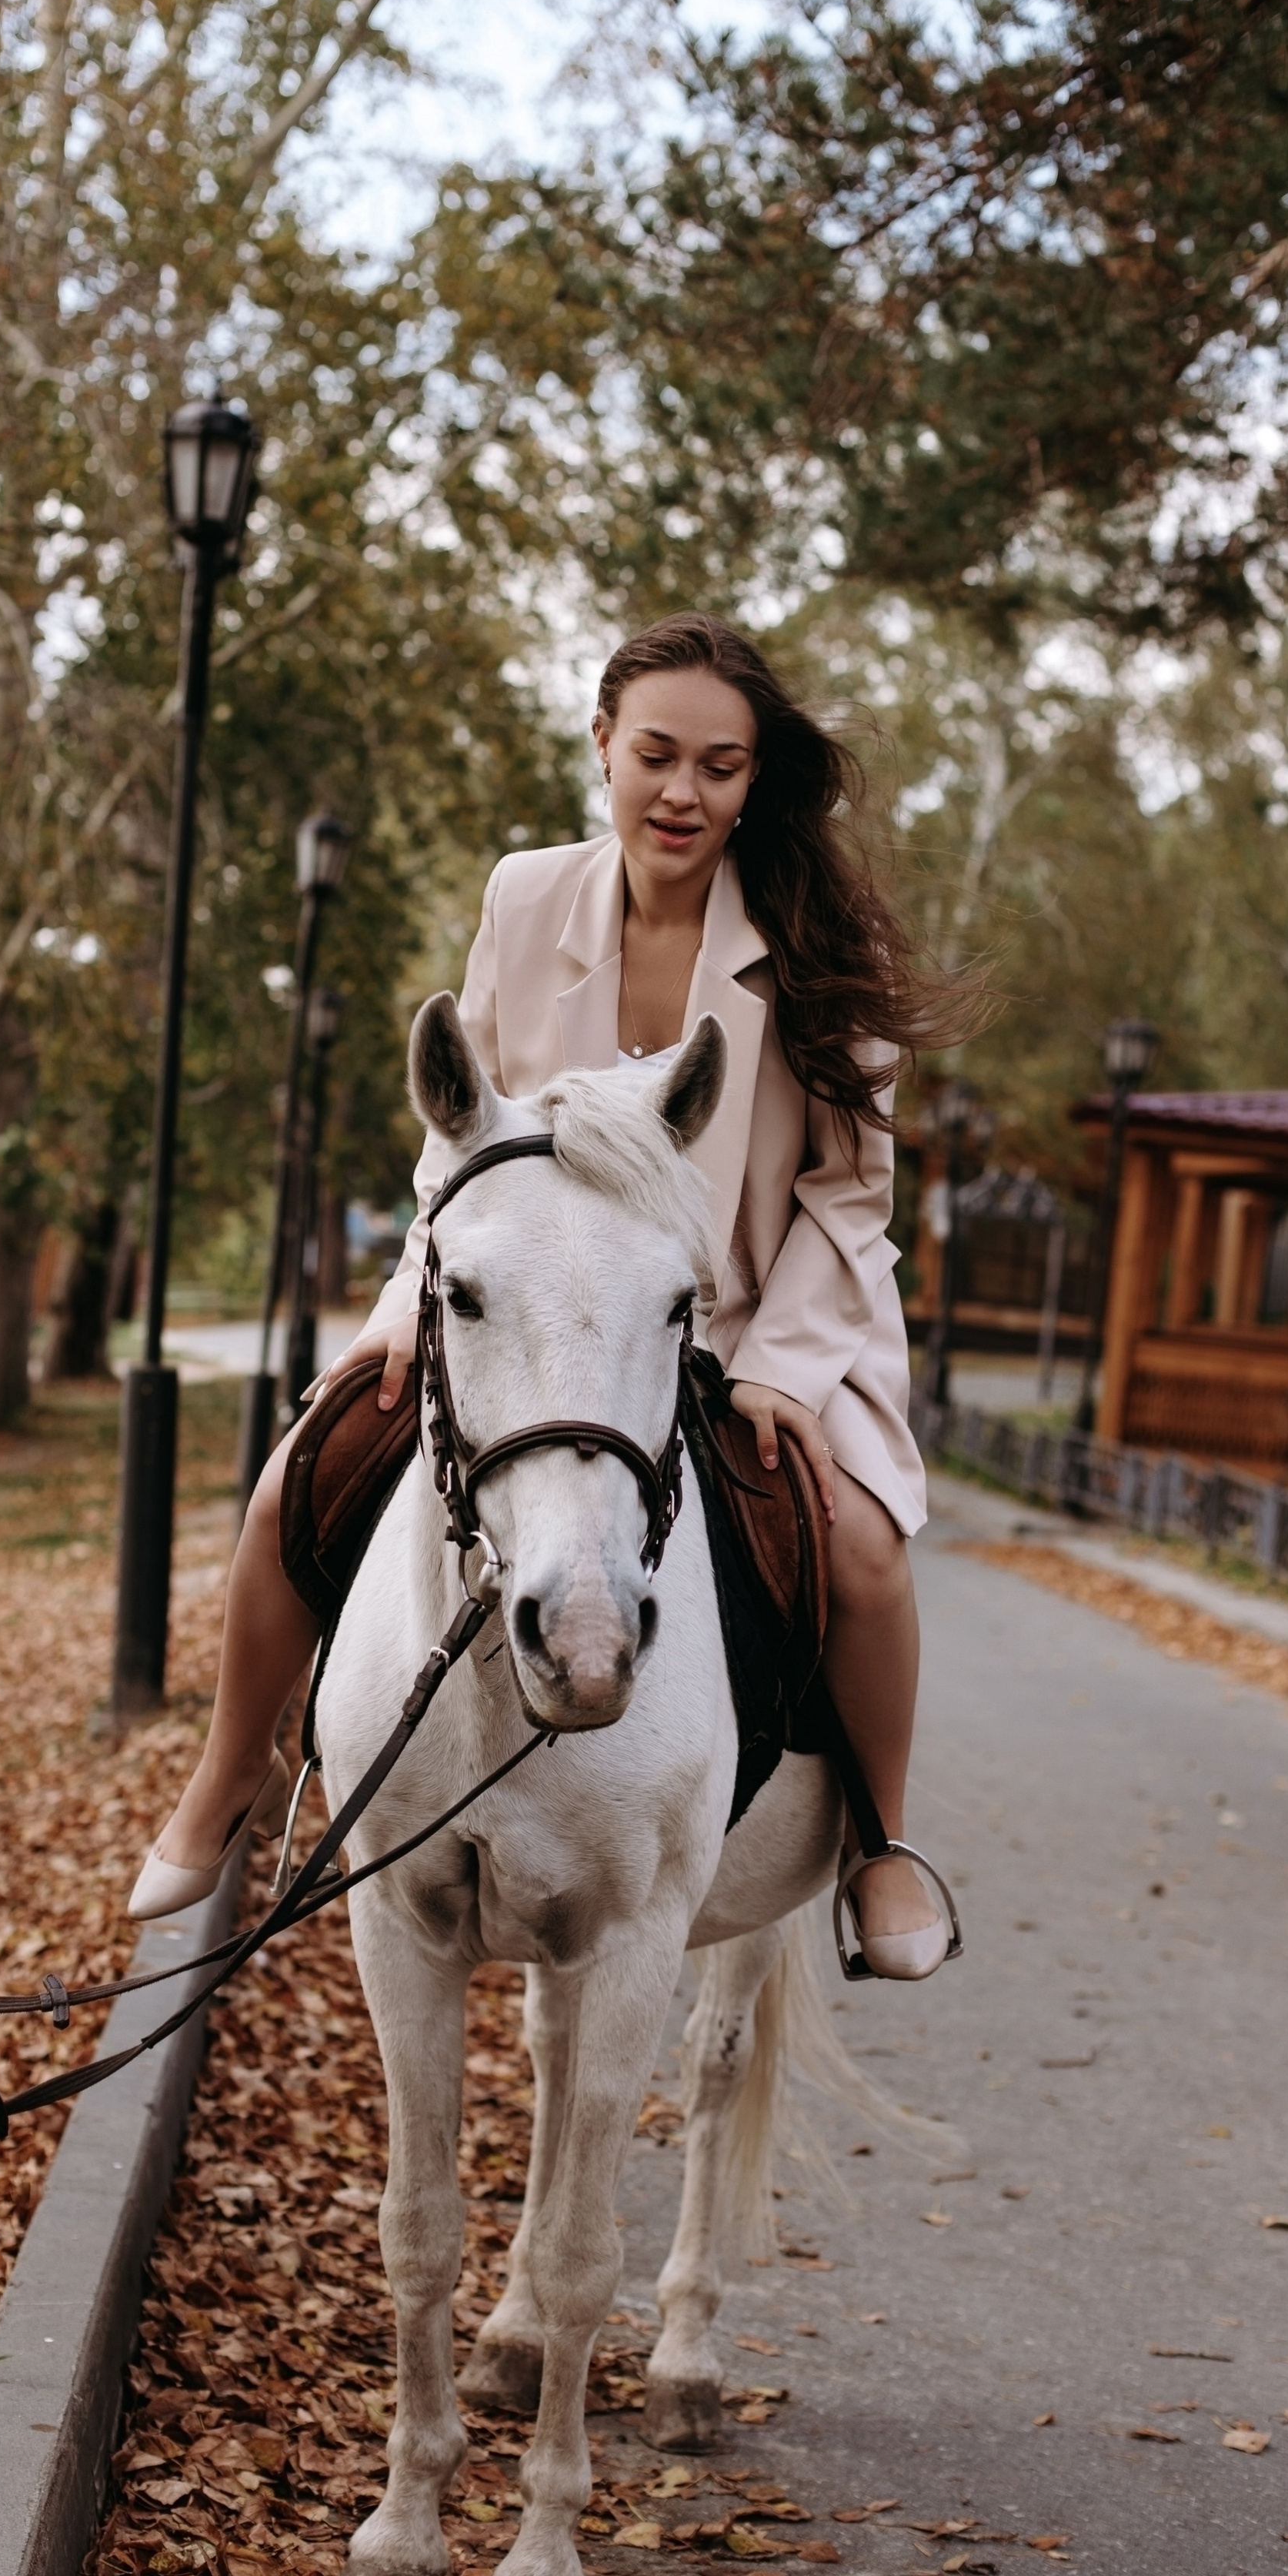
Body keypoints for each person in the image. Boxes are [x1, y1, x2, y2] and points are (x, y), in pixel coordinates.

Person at [128, 612, 967, 1976]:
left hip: (758, 1308)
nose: (683, 793)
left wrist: (782, 1373)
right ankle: (229, 1774)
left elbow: (849, 1197)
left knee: (863, 1551)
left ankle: (881, 1842)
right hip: (526, 1288)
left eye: (720, 767)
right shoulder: (525, 899)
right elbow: (458, 1135)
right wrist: (408, 1301)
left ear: (755, 779)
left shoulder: (818, 950)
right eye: (657, 756)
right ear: (604, 747)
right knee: (303, 1471)